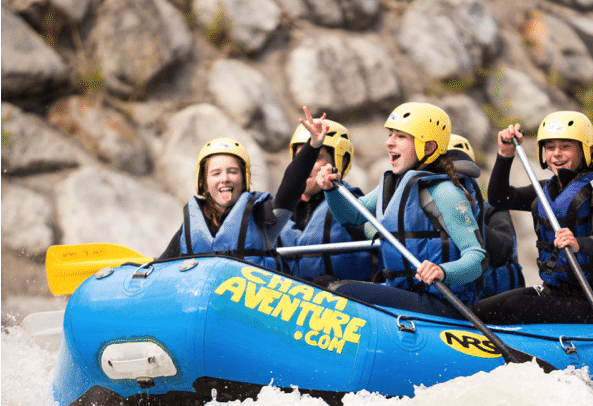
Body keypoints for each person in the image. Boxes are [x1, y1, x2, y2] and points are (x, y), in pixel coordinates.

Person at [473, 111, 593, 325]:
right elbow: (500, 198)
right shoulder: (546, 189)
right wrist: (505, 154)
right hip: (553, 293)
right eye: (550, 147)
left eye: (565, 146)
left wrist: (577, 243)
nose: (556, 154)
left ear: (585, 150)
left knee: (513, 308)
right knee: (481, 309)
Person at [313, 102, 487, 314]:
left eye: (401, 136)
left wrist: (442, 271)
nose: (389, 143)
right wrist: (331, 190)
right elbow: (352, 217)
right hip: (407, 293)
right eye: (390, 134)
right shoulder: (396, 186)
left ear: (429, 147)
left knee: (338, 292)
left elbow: (476, 259)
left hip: (444, 304)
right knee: (325, 283)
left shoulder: (445, 192)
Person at [159, 107, 332, 270]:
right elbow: (159, 266)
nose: (225, 179)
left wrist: (313, 146)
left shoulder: (262, 217)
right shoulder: (189, 228)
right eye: (216, 173)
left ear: (244, 179)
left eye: (233, 172)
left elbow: (291, 186)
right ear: (203, 182)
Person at [278, 120, 377, 284]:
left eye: (315, 158)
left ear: (341, 162)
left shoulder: (354, 206)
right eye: (301, 159)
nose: (305, 166)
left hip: (344, 300)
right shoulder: (282, 209)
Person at [446, 134, 526, 298]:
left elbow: (502, 253)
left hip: (492, 299)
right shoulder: (425, 211)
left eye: (462, 180)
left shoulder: (493, 211)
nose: (455, 187)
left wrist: (464, 215)